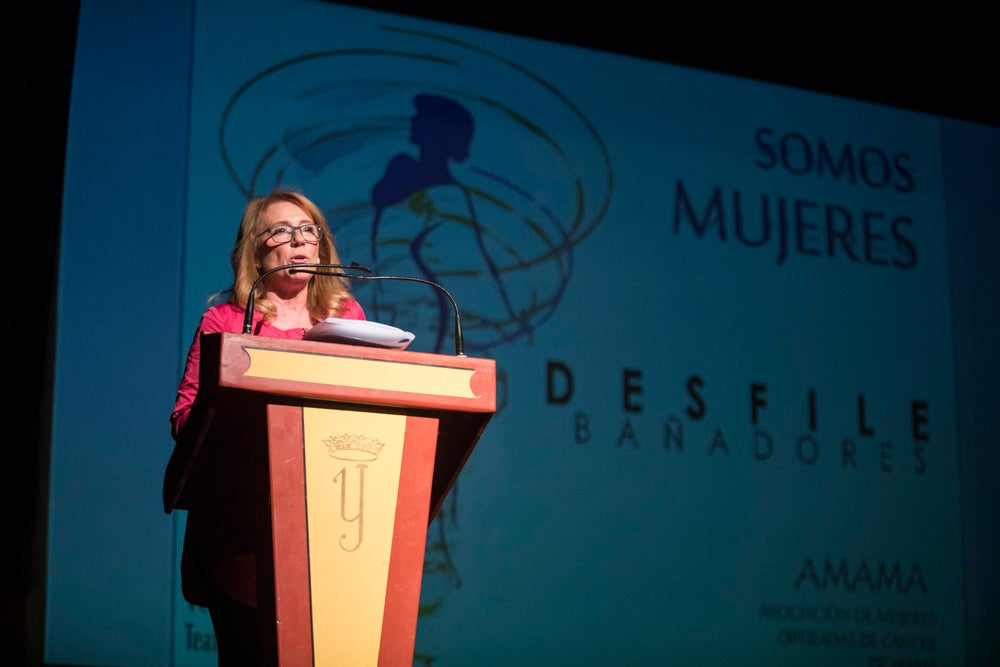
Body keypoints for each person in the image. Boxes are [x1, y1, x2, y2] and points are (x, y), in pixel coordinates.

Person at [168, 189, 365, 666]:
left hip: (329, 522)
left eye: (307, 231)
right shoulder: (228, 321)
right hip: (242, 530)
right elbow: (184, 416)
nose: (298, 241)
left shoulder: (346, 318)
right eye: (281, 231)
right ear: (257, 249)